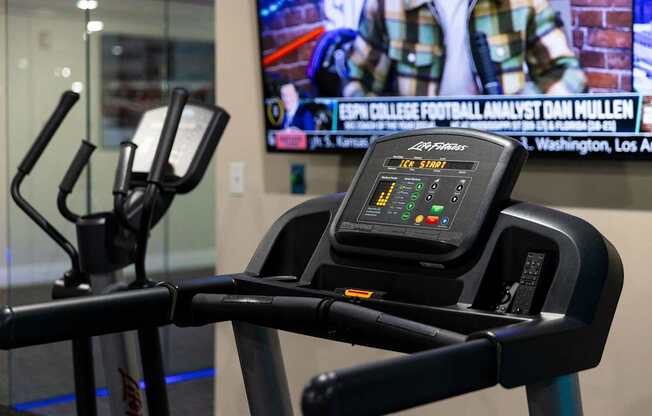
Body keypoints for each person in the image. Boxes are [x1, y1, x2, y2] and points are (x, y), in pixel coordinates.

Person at [343, 0, 586, 97]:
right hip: (418, 161)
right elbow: (357, 82)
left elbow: (567, 75)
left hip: (499, 154)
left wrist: (519, 112)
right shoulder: (386, 4)